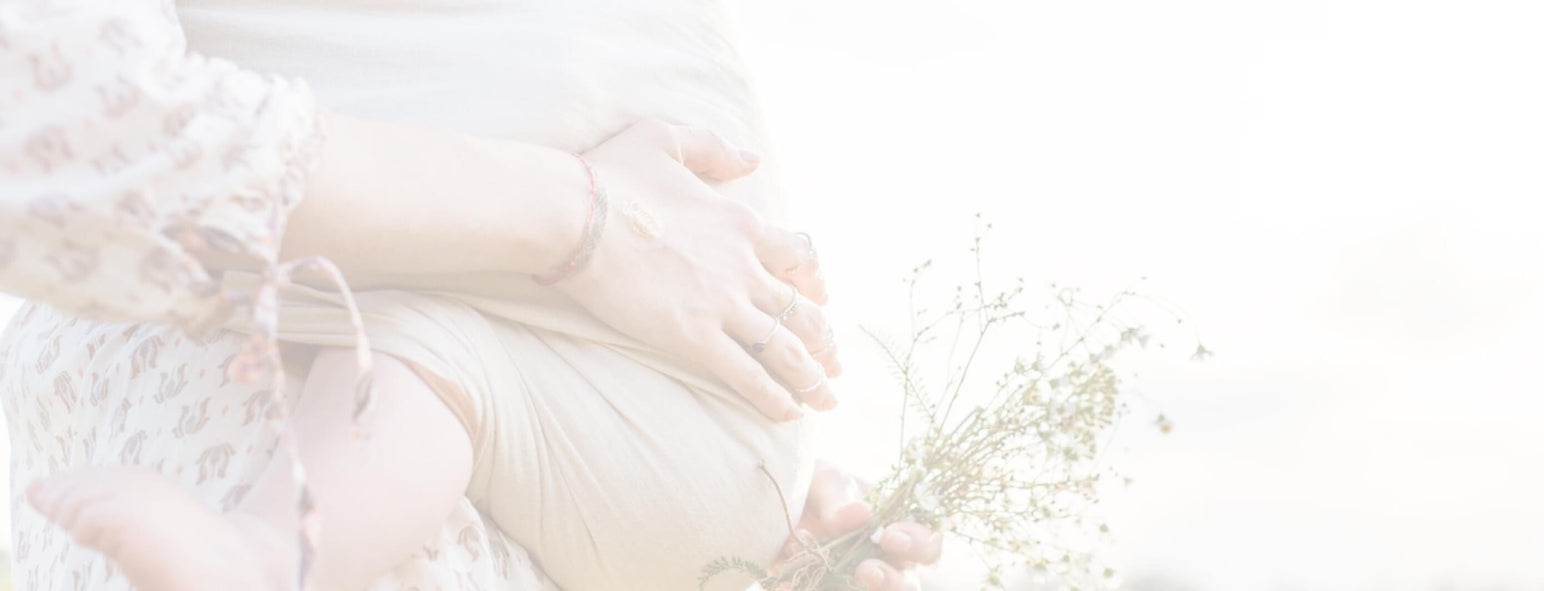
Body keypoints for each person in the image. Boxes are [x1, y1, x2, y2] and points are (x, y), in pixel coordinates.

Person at [0, 0, 939, 589]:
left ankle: (260, 553)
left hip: (689, 453)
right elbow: (86, 129)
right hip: (692, 471)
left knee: (418, 341)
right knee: (413, 336)